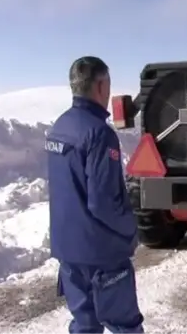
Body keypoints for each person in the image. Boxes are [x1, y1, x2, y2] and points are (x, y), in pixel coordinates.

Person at [46, 56, 144, 334]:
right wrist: (130, 230)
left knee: (85, 325)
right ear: (101, 86)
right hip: (102, 255)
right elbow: (103, 202)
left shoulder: (59, 127)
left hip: (69, 252)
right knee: (125, 325)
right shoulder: (99, 134)